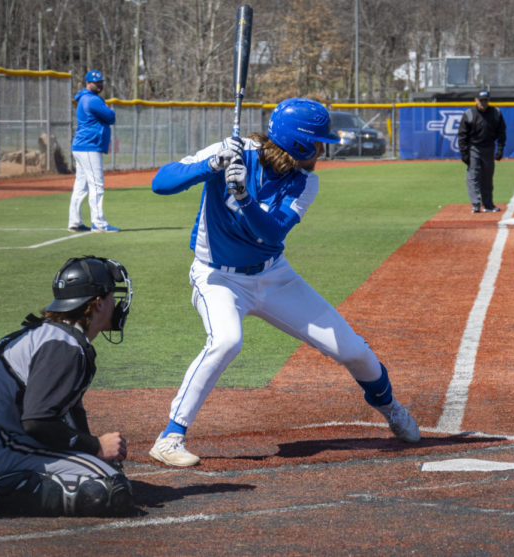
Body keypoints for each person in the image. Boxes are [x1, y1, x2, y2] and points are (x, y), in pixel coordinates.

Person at [147, 98, 421, 468]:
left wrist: (243, 197)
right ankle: (170, 437)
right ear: (298, 143)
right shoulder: (233, 150)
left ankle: (390, 408)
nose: (322, 150)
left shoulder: (305, 181)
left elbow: (272, 233)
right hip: (217, 277)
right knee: (226, 341)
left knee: (352, 350)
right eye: (318, 143)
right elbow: (160, 184)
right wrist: (209, 165)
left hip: (274, 275)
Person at [0, 256, 135, 517]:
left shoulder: (55, 336)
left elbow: (68, 414)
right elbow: (38, 422)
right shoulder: (64, 347)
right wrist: (95, 446)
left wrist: (91, 450)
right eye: (111, 295)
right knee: (109, 488)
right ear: (97, 303)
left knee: (101, 469)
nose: (116, 304)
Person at [68, 70, 118, 233]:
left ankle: (74, 221)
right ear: (88, 83)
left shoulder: (85, 98)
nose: (99, 84)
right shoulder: (92, 99)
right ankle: (99, 223)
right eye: (96, 82)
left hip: (82, 146)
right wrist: (108, 109)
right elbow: (111, 117)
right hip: (89, 146)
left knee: (81, 186)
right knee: (97, 185)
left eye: (101, 82)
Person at [457, 90, 506, 213]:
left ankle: (488, 204)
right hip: (473, 148)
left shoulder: (496, 113)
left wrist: (500, 149)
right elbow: (462, 135)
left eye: (485, 100)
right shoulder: (469, 114)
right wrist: (464, 153)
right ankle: (475, 204)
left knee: (487, 177)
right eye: (481, 100)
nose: (483, 103)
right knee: (473, 176)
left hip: (489, 148)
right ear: (476, 100)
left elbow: (501, 132)